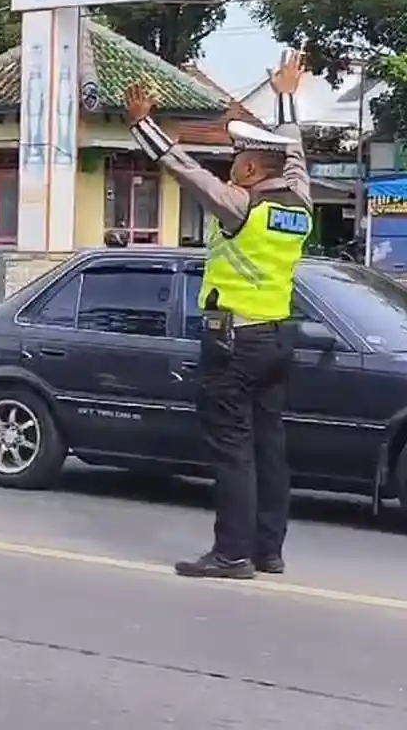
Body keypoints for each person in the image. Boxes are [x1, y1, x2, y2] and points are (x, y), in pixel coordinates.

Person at [125, 51, 310, 579]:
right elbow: (293, 150)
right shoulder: (298, 199)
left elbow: (183, 169)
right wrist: (285, 94)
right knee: (270, 447)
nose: (231, 165)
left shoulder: (241, 205)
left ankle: (231, 554)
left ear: (252, 167)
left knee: (233, 451)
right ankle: (268, 551)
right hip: (277, 340)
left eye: (236, 159)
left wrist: (143, 124)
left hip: (234, 345)